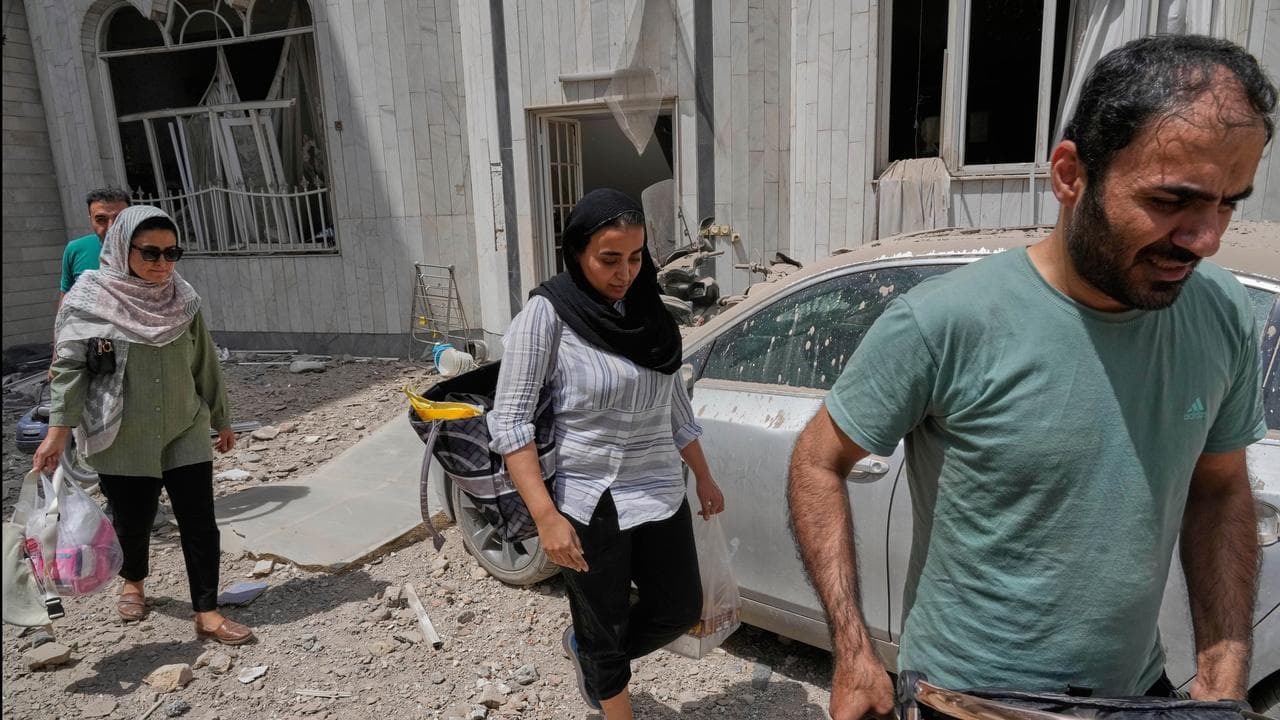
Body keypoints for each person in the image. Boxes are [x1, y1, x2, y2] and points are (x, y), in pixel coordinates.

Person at [787, 34, 1275, 720]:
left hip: (1133, 695)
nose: (1207, 238)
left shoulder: (1221, 312)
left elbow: (1221, 489)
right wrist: (854, 647)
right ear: (1071, 175)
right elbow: (818, 459)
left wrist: (1222, 676)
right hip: (964, 701)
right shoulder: (945, 321)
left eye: (1228, 203)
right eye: (1171, 200)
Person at [488, 188, 725, 720]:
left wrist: (704, 478)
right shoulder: (547, 315)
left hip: (660, 488)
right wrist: (546, 517)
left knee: (678, 608)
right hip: (592, 498)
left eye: (637, 257)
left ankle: (591, 653)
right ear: (577, 253)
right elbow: (510, 424)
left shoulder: (651, 319)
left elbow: (675, 409)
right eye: (610, 259)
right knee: (605, 622)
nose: (625, 273)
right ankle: (606, 672)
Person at [32, 205, 254, 646]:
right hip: (122, 433)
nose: (162, 265)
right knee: (133, 520)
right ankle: (133, 582)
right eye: (150, 253)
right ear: (121, 248)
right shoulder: (89, 300)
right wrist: (58, 431)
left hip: (183, 426)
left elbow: (203, 360)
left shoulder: (183, 299)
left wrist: (220, 417)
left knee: (199, 520)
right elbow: (70, 369)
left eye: (172, 254)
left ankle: (206, 612)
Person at [61, 187, 131, 300]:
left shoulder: (152, 252)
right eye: (101, 219)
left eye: (119, 218)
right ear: (91, 220)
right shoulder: (75, 249)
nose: (111, 227)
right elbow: (66, 298)